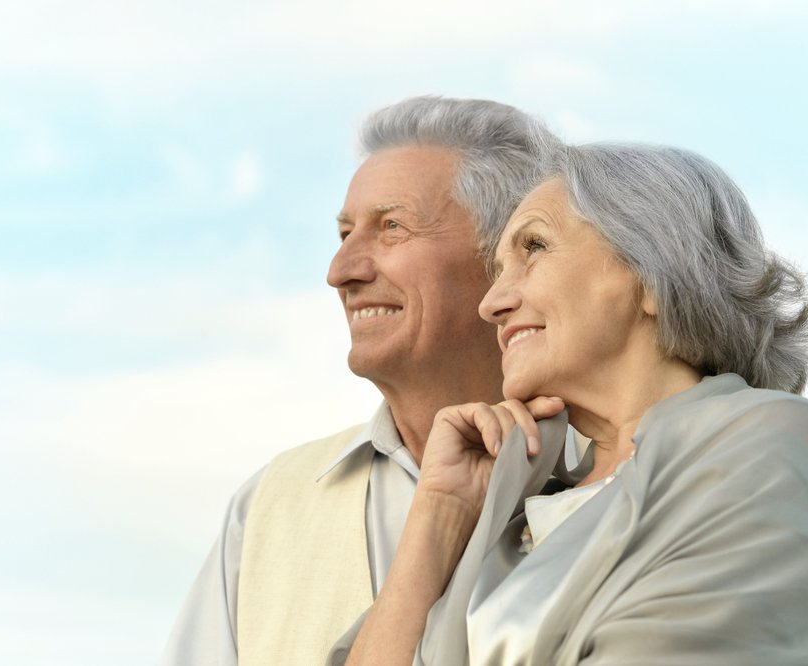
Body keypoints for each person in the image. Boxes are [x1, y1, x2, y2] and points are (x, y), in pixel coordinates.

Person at [339, 143, 808, 664]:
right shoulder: (508, 515)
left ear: (652, 273)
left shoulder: (773, 443)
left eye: (533, 248)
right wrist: (441, 513)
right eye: (498, 270)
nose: (492, 303)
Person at [160, 96, 566, 665]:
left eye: (390, 227)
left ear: (508, 256)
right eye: (345, 233)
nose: (341, 272)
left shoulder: (628, 470)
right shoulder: (267, 507)